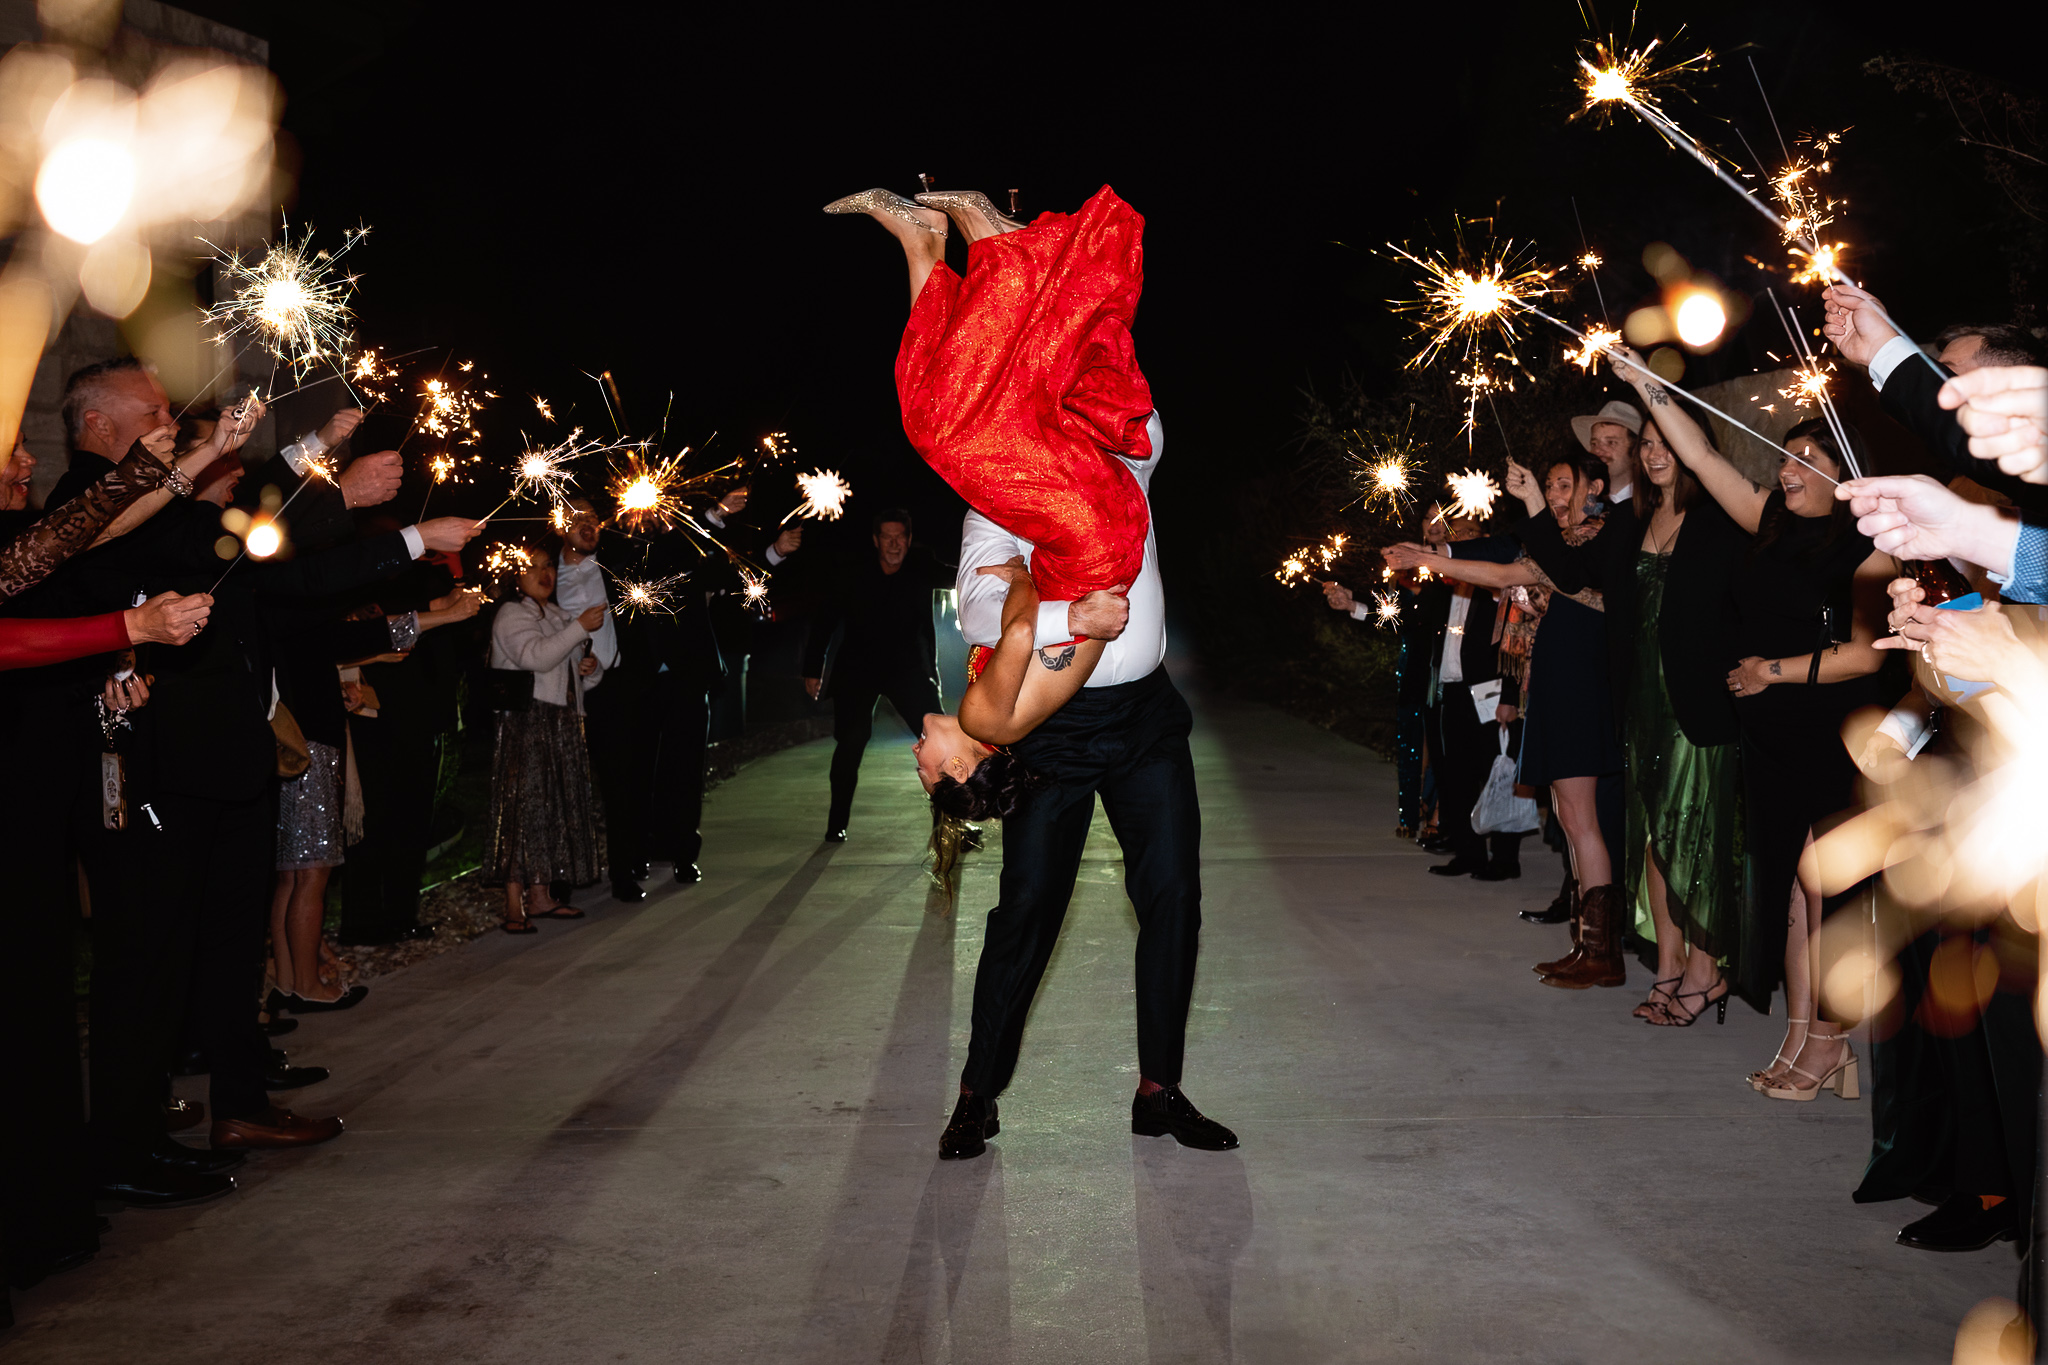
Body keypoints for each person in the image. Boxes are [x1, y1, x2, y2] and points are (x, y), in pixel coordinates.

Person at [828, 182, 1232, 1159]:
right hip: (1051, 745)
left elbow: (1137, 431)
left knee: (1172, 896)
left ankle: (1159, 1088)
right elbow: (977, 598)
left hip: (1143, 724)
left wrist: (1044, 597)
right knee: (1025, 914)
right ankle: (977, 1093)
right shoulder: (1000, 489)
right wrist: (1053, 605)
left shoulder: (1098, 453)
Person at [1613, 349, 1891, 1092]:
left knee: (1827, 889)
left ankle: (1830, 1041)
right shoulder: (1768, 520)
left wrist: (1770, 669)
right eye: (1786, 457)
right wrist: (1647, 385)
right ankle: (1800, 1038)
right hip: (1772, 737)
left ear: (1846, 474)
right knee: (1793, 894)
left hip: (1832, 732)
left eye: (1806, 458)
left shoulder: (1868, 551)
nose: (1788, 469)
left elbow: (1865, 657)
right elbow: (1701, 454)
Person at [1386, 453, 1627, 990]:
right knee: (1568, 815)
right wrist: (1429, 556)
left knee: (1582, 819)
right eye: (1551, 486)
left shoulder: (1596, 536)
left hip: (1582, 689)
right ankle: (1586, 943)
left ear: (1596, 489)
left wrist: (1432, 558)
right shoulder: (1560, 542)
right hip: (1556, 685)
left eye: (1566, 485)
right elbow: (1501, 567)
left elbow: (1507, 571)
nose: (1557, 495)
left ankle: (1603, 954)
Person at [1608, 413, 1747, 1025]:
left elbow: (1741, 608)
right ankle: (1667, 964)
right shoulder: (1639, 519)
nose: (1655, 453)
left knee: (1693, 829)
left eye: (1666, 443)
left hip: (1696, 701)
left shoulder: (1718, 521)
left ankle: (1705, 970)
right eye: (1647, 445)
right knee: (1649, 836)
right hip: (1641, 700)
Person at [802, 507, 955, 842]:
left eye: (900, 537)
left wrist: (994, 566)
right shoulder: (853, 572)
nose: (894, 544)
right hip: (858, 670)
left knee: (939, 740)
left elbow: (956, 575)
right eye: (887, 537)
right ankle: (836, 824)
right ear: (876, 540)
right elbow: (825, 620)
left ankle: (947, 824)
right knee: (851, 741)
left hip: (907, 669)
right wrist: (813, 668)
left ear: (909, 540)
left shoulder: (920, 565)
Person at [485, 545, 605, 931]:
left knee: (550, 810)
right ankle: (513, 905)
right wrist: (578, 630)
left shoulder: (556, 614)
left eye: (548, 565)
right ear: (514, 575)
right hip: (527, 723)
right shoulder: (511, 613)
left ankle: (540, 897)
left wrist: (590, 669)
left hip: (560, 723)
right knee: (524, 809)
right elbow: (535, 658)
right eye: (533, 568)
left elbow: (571, 673)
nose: (545, 573)